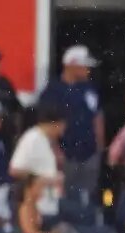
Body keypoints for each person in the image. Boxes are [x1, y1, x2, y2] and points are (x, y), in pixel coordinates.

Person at [37, 46, 105, 206]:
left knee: (87, 198)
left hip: (89, 154)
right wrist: (55, 150)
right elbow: (45, 124)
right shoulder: (53, 91)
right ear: (71, 65)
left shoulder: (89, 88)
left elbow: (97, 116)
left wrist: (100, 146)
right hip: (65, 155)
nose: (88, 70)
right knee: (64, 198)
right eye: (84, 66)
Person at [9, 103, 67, 222]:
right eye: (62, 126)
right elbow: (14, 170)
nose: (63, 130)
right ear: (54, 124)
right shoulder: (32, 138)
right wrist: (41, 179)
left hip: (50, 204)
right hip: (35, 208)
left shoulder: (48, 140)